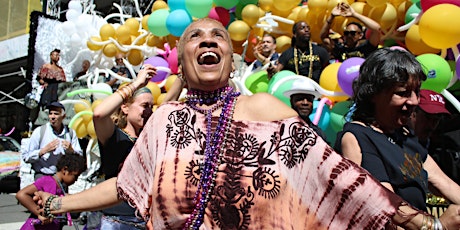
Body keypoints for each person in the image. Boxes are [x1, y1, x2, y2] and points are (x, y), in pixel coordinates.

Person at [34, 19, 460, 230]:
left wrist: (430, 225)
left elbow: (340, 181)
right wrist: (57, 203)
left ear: (230, 59)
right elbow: (127, 184)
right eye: (194, 37)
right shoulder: (166, 120)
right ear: (181, 62)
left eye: (217, 36)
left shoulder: (264, 109)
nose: (206, 41)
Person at [334, 48, 460, 213]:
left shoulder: (405, 136)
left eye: (417, 92)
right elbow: (385, 208)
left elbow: (444, 183)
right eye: (403, 93)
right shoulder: (357, 137)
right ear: (374, 93)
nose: (414, 101)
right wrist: (436, 225)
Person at [91, 66, 154, 229]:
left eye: (151, 107)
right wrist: (137, 83)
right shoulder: (115, 136)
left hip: (144, 221)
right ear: (125, 107)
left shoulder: (148, 139)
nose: (149, 111)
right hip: (116, 221)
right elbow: (99, 114)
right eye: (144, 105)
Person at [16, 153, 86, 230]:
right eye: (75, 176)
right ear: (65, 170)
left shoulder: (61, 186)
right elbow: (21, 194)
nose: (76, 180)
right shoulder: (47, 181)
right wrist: (39, 214)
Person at [23, 101, 83, 179]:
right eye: (50, 114)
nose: (52, 117)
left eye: (56, 114)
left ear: (63, 116)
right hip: (43, 176)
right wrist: (43, 151)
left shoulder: (70, 133)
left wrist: (71, 150)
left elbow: (80, 157)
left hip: (62, 178)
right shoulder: (40, 131)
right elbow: (26, 156)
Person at [283, 77, 327, 142]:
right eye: (300, 98)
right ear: (291, 101)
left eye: (309, 99)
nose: (305, 103)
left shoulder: (319, 134)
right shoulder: (281, 128)